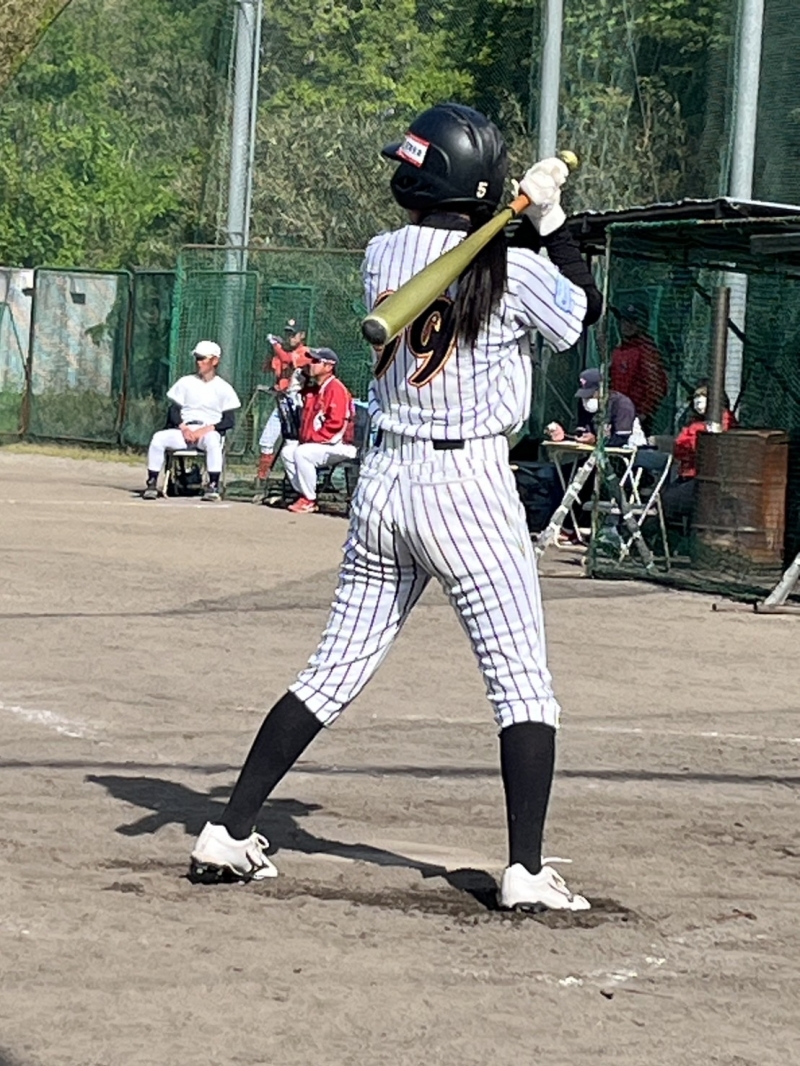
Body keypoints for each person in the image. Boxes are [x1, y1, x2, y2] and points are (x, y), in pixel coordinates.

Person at [189, 102, 601, 912]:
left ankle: (229, 831)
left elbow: (465, 260)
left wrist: (522, 228)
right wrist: (552, 225)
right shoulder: (513, 268)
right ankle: (525, 871)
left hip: (384, 485)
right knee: (523, 683)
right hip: (468, 487)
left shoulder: (383, 255)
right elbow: (579, 317)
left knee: (333, 668)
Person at [142, 340, 240, 502]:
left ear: (215, 360)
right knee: (158, 438)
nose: (198, 362)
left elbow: (229, 421)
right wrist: (183, 428)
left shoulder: (224, 388)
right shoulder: (185, 382)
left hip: (207, 432)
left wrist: (206, 430)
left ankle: (213, 485)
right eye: (197, 358)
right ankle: (152, 483)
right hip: (185, 430)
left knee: (213, 441)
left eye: (202, 358)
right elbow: (174, 410)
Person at [281, 347, 357, 514]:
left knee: (302, 453)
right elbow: (294, 402)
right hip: (322, 443)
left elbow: (336, 424)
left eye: (316, 361)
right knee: (288, 452)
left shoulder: (335, 388)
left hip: (339, 444)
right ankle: (305, 495)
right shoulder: (315, 389)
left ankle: (309, 499)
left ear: (329, 366)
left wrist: (314, 439)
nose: (311, 364)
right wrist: (296, 384)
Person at [662, 382, 738, 525]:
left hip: (703, 478)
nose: (697, 403)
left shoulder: (723, 422)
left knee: (667, 501)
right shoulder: (695, 422)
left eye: (702, 398)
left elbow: (696, 447)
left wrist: (688, 447)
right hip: (687, 473)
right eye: (696, 398)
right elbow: (679, 447)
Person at [255, 321, 313, 482]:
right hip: (283, 402)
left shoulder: (305, 352)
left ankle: (294, 480)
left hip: (298, 404)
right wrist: (271, 349)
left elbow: (287, 360)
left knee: (292, 444)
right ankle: (262, 477)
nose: (290, 338)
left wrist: (275, 345)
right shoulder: (282, 352)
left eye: (293, 334)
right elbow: (266, 367)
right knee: (266, 441)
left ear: (302, 335)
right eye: (288, 334)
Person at [546, 367, 647, 449]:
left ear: (602, 389)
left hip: (630, 451)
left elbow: (622, 439)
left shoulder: (622, 405)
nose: (587, 399)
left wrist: (596, 440)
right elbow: (582, 430)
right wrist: (565, 435)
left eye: (591, 394)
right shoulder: (584, 404)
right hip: (596, 451)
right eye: (585, 395)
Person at [610, 303, 668, 434]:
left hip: (635, 419)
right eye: (624, 320)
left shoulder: (646, 350)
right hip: (617, 414)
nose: (627, 325)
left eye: (633, 321)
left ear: (642, 324)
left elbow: (657, 386)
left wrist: (643, 413)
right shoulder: (619, 349)